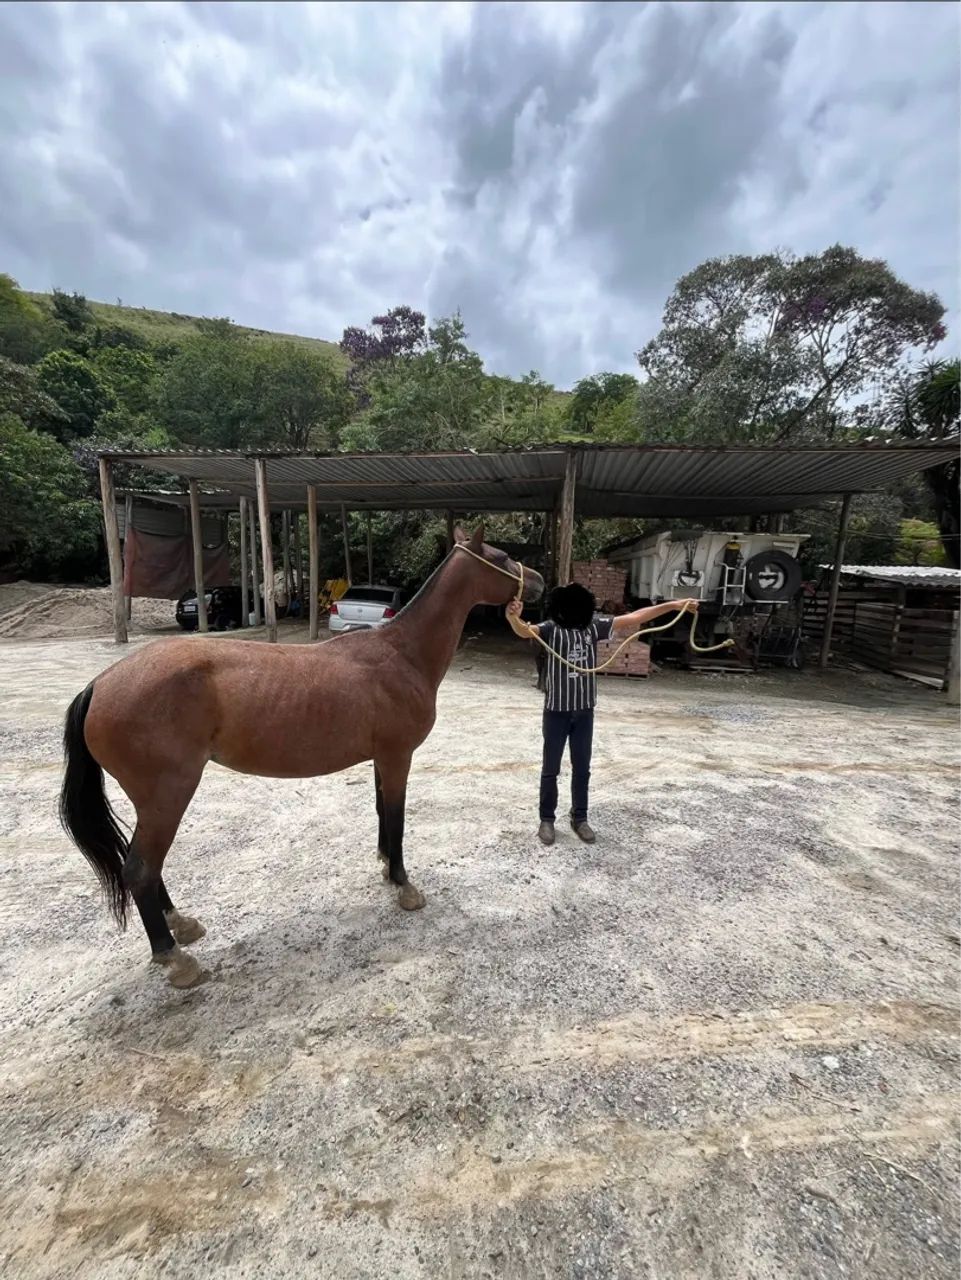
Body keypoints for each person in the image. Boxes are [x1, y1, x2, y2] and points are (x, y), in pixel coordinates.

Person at [506, 584, 698, 846]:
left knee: (582, 768)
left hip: (584, 712)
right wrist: (513, 617)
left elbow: (636, 617)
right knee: (550, 768)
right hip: (556, 712)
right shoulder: (551, 629)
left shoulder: (594, 627)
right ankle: (547, 819)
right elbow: (524, 630)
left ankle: (580, 818)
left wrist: (673, 605)